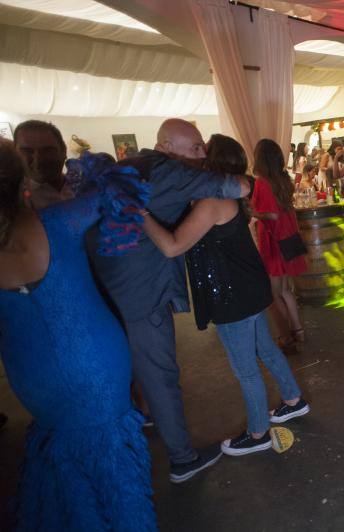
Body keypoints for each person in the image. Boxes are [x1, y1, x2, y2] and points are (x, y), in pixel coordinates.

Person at [0, 141, 156, 530]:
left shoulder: (56, 219)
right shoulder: (59, 222)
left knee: (62, 472)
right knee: (116, 474)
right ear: (23, 182)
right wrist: (94, 170)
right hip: (93, 364)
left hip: (30, 373)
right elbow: (124, 187)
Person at [87, 118, 252, 483]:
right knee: (159, 373)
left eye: (204, 148)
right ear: (165, 147)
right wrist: (242, 180)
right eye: (194, 147)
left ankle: (141, 417)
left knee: (122, 364)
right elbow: (237, 187)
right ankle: (182, 459)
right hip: (142, 290)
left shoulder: (125, 167)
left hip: (101, 287)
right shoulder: (171, 171)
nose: (201, 155)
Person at [141, 134, 309, 456]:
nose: (199, 157)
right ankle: (293, 399)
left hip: (234, 295)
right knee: (266, 350)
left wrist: (141, 214)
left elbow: (173, 245)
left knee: (246, 367)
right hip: (249, 286)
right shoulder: (220, 196)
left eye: (203, 152)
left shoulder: (211, 202)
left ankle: (258, 432)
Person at [252, 138, 308, 348]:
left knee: (274, 293)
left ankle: (287, 335)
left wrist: (252, 212)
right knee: (286, 291)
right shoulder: (282, 180)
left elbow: (272, 216)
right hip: (288, 240)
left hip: (273, 243)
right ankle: (298, 330)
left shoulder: (262, 183)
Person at [13, 120, 73, 209]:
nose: (38, 160)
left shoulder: (85, 183)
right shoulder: (14, 200)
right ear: (15, 154)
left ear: (63, 151)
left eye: (48, 151)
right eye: (27, 151)